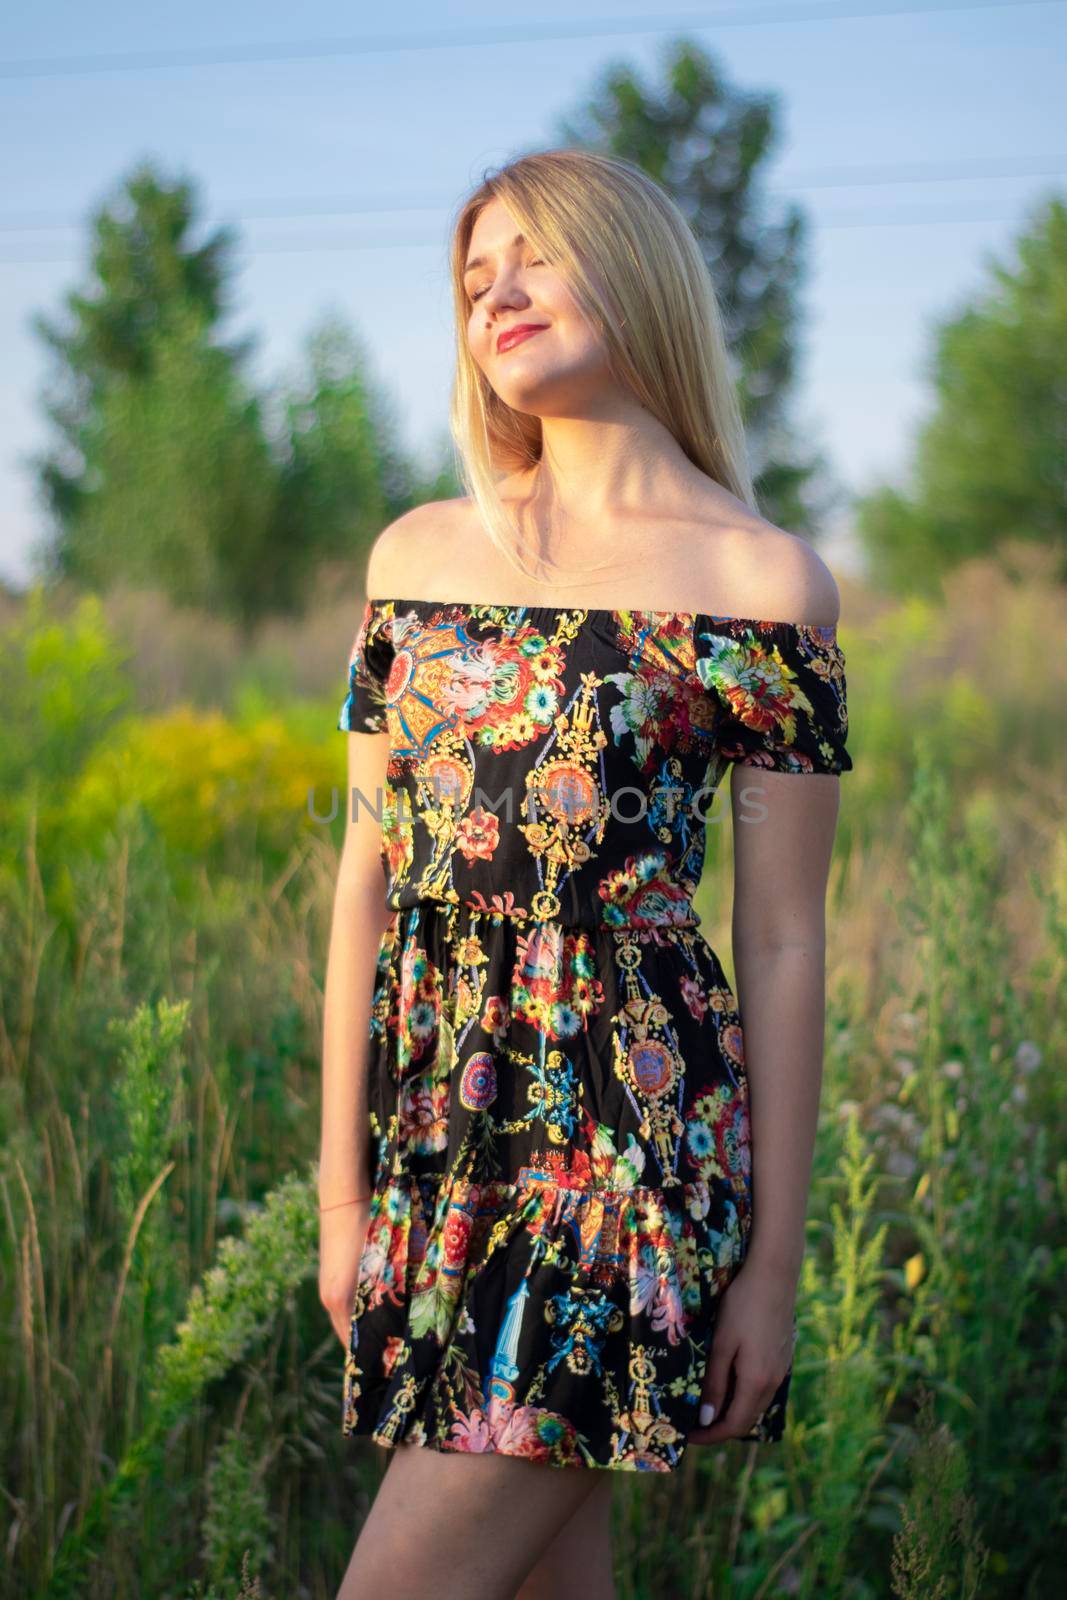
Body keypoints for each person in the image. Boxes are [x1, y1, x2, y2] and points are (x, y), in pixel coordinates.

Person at [318, 148, 853, 1600]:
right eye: (473, 274)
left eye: (532, 255)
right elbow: (367, 881)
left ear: (635, 267)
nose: (496, 291)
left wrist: (775, 1269)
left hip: (630, 1146)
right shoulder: (419, 557)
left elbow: (788, 941)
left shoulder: (762, 583)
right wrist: (341, 1200)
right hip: (442, 1141)